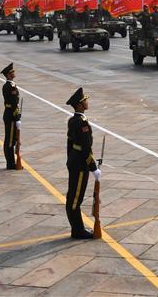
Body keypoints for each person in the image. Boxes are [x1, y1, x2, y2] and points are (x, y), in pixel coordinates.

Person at [65, 87, 100, 240]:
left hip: (74, 161)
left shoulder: (73, 120)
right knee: (75, 199)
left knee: (73, 196)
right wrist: (93, 167)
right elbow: (86, 148)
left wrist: (69, 159)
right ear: (80, 105)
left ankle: (77, 228)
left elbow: (70, 144)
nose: (87, 102)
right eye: (85, 100)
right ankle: (78, 230)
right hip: (80, 165)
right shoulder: (81, 123)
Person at [0, 63, 21, 170]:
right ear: (8, 75)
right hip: (11, 115)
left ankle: (11, 162)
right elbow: (13, 103)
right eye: (12, 72)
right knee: (10, 141)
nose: (14, 73)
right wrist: (16, 116)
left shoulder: (10, 85)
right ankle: (10, 163)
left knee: (11, 140)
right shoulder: (9, 86)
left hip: (10, 114)